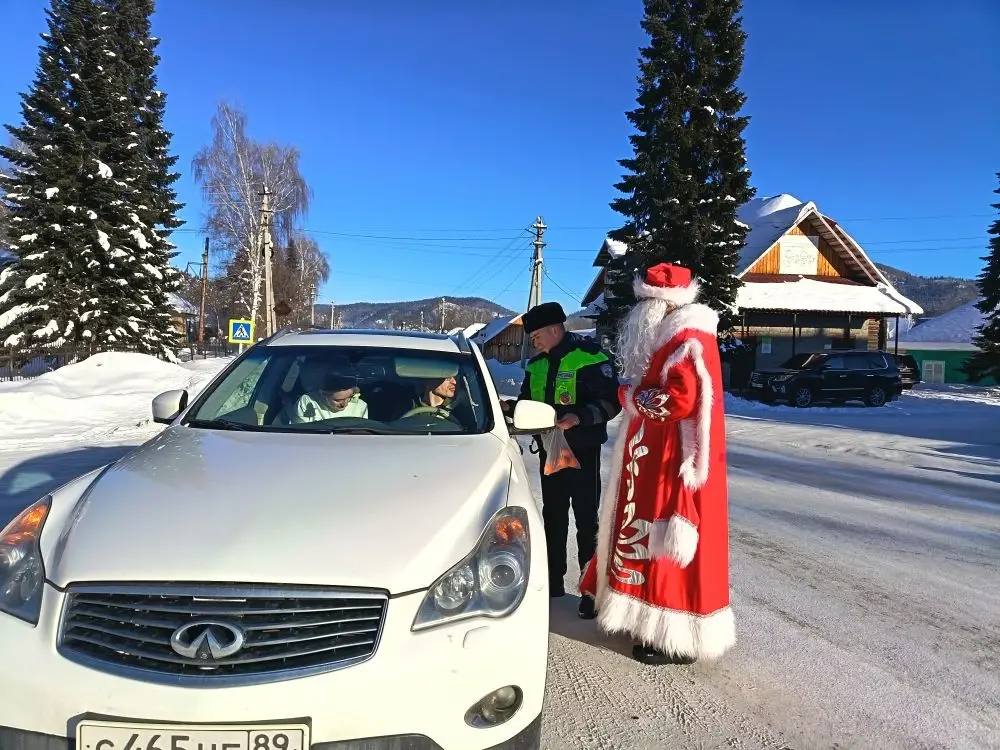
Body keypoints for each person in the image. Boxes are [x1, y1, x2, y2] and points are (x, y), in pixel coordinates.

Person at [579, 263, 734, 665]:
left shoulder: (687, 338)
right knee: (646, 537)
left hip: (672, 464)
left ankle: (674, 636)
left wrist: (630, 396)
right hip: (655, 460)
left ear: (659, 303)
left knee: (667, 544)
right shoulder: (671, 336)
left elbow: (678, 401)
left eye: (644, 303)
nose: (638, 313)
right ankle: (644, 618)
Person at [504, 302, 620, 618]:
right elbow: (527, 402)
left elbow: (611, 403)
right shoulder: (536, 365)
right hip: (549, 451)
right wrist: (511, 410)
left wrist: (579, 417)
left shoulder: (590, 356)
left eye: (537, 336)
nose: (534, 342)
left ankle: (590, 591)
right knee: (553, 516)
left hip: (582, 451)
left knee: (586, 519)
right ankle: (552, 582)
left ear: (555, 329)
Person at [294, 373, 368, 423]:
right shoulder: (307, 401)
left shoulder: (361, 406)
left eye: (348, 398)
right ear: (323, 394)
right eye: (338, 400)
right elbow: (299, 433)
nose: (344, 404)